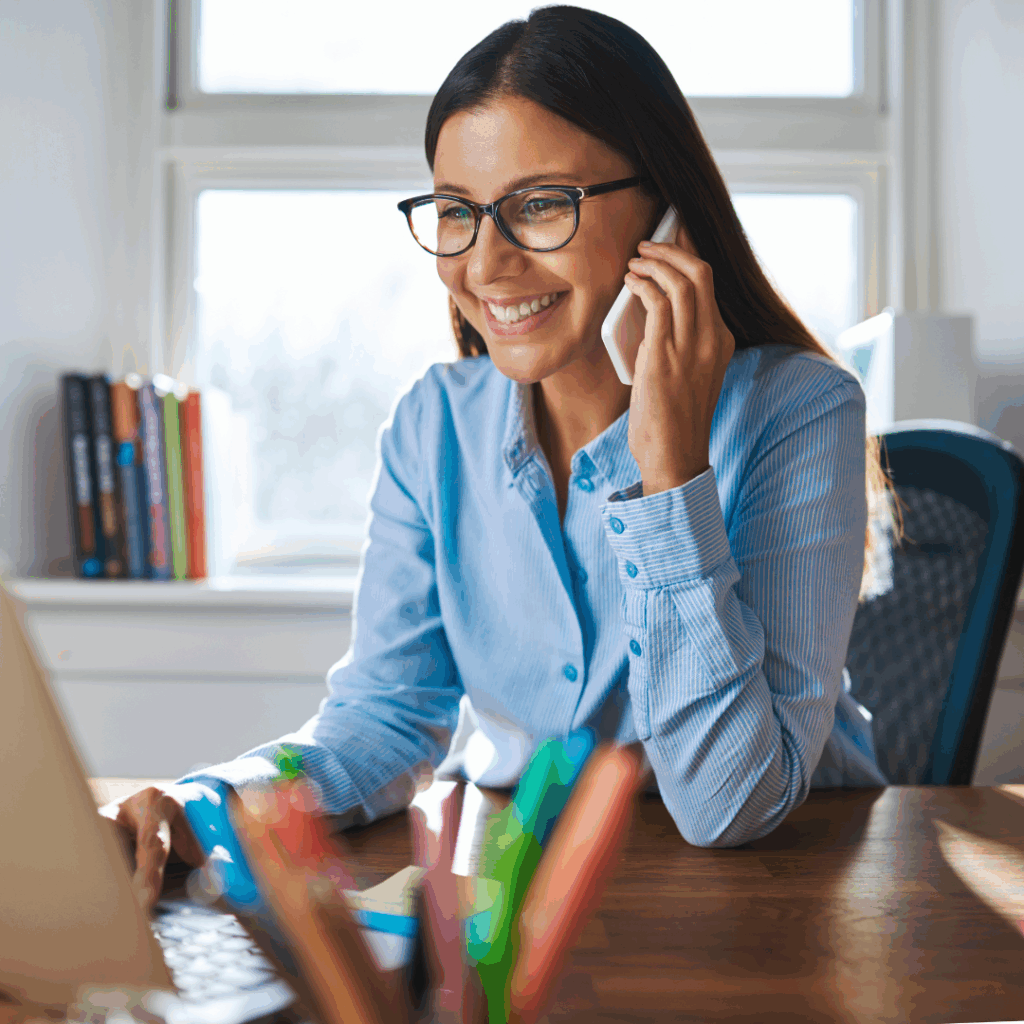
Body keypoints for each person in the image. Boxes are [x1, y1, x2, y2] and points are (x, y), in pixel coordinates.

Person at [104, 5, 892, 911]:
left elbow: (728, 805)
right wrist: (206, 802)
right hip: (525, 892)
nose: (487, 264)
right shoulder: (434, 425)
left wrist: (669, 469)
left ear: (666, 213)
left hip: (783, 893)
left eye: (541, 205)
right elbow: (387, 719)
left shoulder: (797, 411)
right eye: (456, 213)